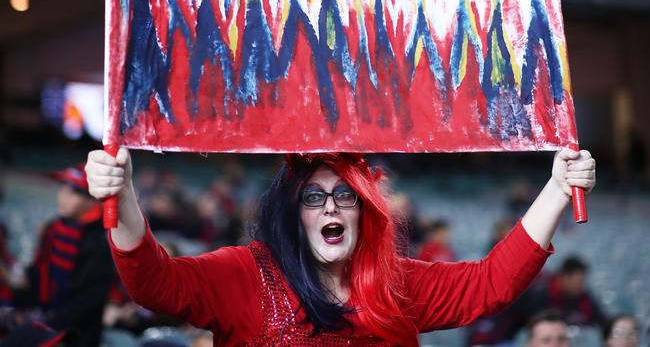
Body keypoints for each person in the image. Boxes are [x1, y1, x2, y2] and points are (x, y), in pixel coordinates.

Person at [85, 147, 596, 347]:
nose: (330, 208)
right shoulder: (245, 272)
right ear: (293, 213)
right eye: (313, 197)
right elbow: (155, 284)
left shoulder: (396, 283)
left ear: (364, 212)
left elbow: (491, 284)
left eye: (344, 197)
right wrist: (122, 194)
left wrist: (555, 189)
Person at [10, 163, 114, 347]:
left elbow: (87, 303)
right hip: (46, 319)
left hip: (76, 336)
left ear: (92, 200)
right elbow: (39, 274)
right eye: (62, 189)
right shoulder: (53, 228)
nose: (62, 197)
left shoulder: (100, 242)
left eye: (72, 192)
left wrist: (45, 322)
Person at [530, 256, 605, 329]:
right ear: (564, 277)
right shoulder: (540, 294)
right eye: (577, 282)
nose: (580, 287)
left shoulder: (584, 299)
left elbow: (602, 321)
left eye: (582, 282)